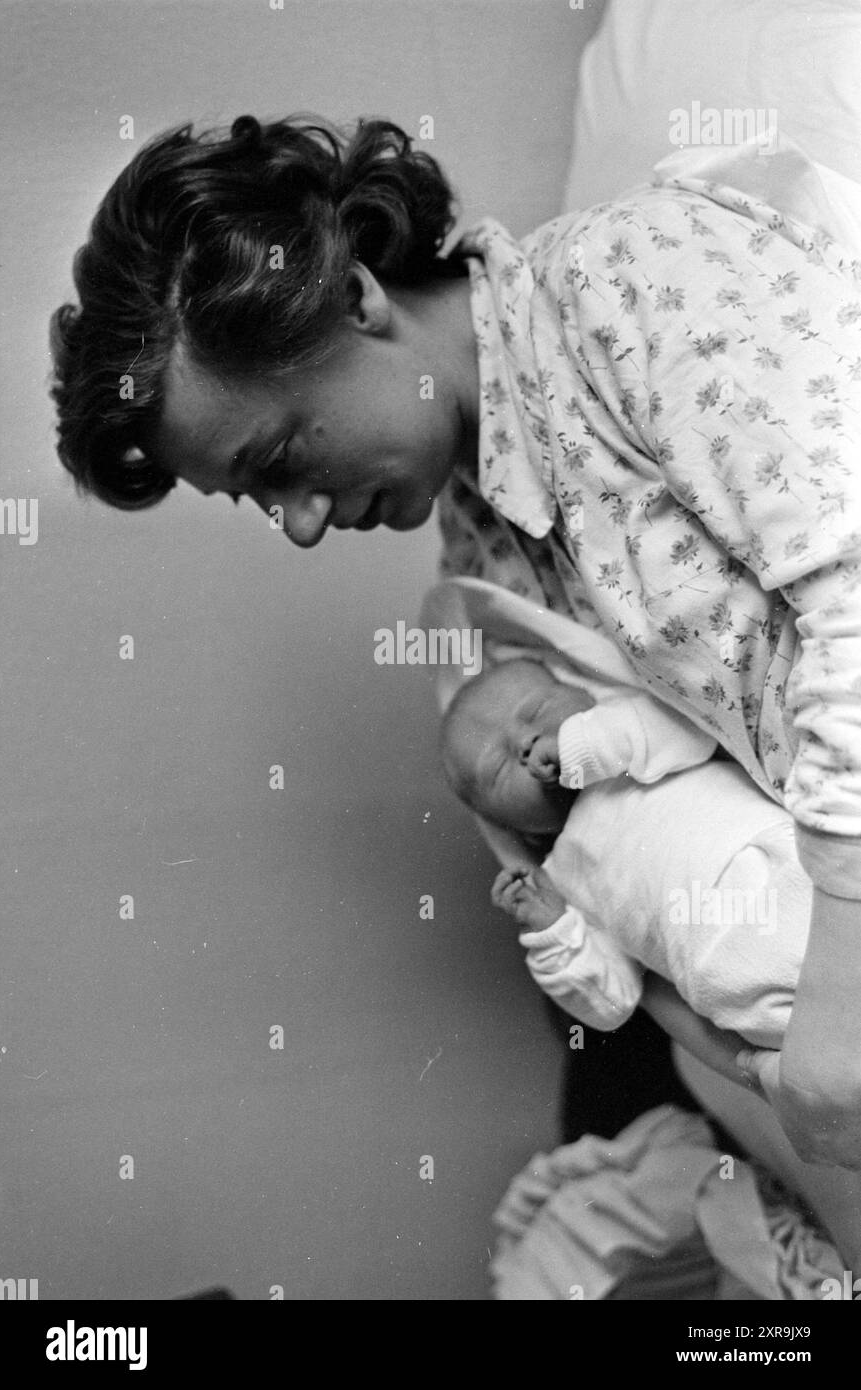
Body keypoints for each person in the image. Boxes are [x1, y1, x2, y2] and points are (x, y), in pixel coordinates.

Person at [49, 112, 861, 1169]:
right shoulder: (482, 570)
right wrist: (755, 1054)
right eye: (256, 498)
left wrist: (835, 1014)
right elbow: (600, 883)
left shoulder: (632, 282)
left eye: (282, 455)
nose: (297, 523)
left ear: (354, 301)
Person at [440, 654, 810, 1050]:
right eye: (497, 768)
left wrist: (584, 746)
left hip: (785, 874)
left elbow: (697, 730)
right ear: (517, 831)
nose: (523, 742)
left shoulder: (628, 742)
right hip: (737, 982)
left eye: (537, 710)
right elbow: (611, 1003)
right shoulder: (562, 881)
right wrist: (552, 933)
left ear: (585, 693)